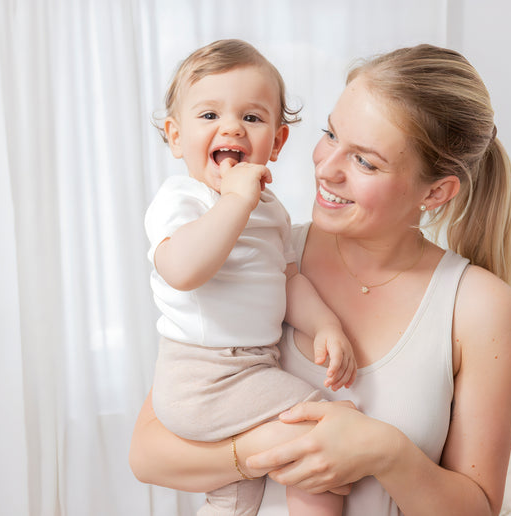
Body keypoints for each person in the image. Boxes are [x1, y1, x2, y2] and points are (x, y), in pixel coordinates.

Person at [131, 42, 511, 516]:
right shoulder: (253, 253)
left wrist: (385, 451)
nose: (327, 168)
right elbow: (147, 454)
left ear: (436, 191)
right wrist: (270, 447)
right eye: (331, 134)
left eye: (365, 161)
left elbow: (477, 508)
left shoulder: (479, 307)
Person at [144, 39, 357, 516]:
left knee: (234, 494)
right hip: (202, 374)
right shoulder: (182, 200)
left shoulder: (271, 211)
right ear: (176, 137)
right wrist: (234, 203)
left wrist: (325, 325)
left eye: (252, 118)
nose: (232, 128)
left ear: (276, 143)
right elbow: (182, 271)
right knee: (324, 430)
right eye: (209, 116)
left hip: (253, 368)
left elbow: (288, 281)